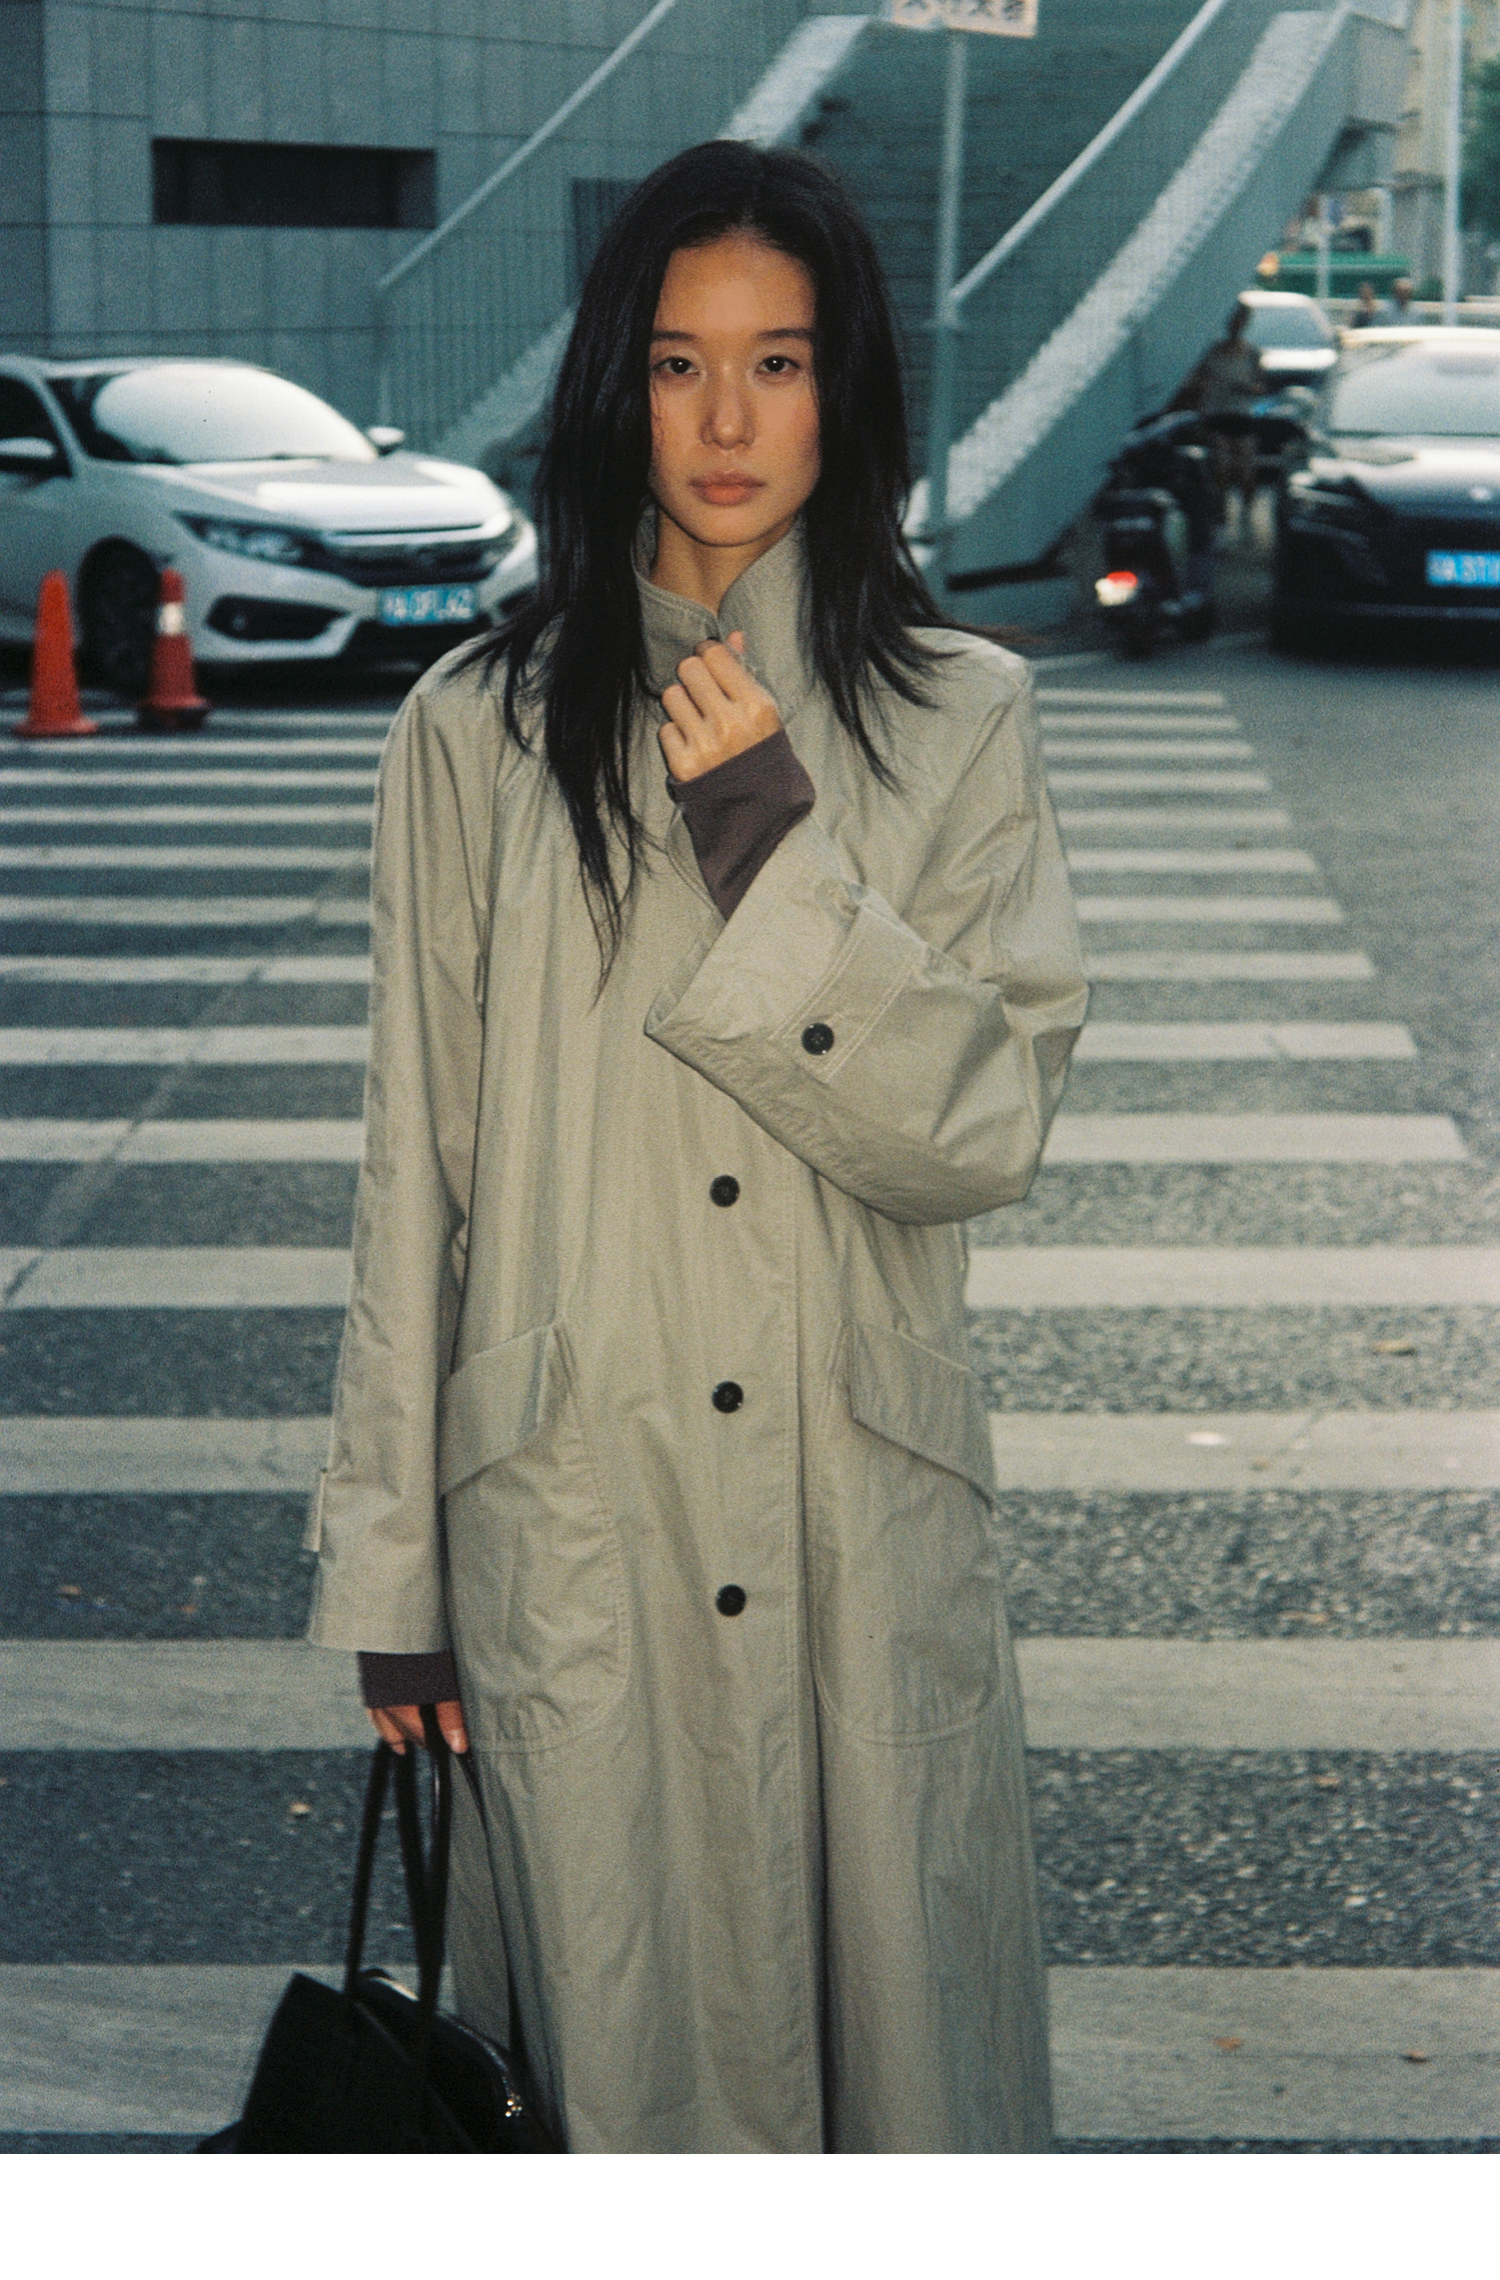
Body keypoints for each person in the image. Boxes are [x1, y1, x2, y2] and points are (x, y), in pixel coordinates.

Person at [307, 140, 1087, 2154]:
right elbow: (419, 1171)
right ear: (615, 389)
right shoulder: (473, 732)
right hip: (581, 1512)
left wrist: (765, 839)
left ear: (848, 391)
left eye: (778, 362)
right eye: (678, 364)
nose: (728, 422)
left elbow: (984, 1124)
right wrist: (397, 1569)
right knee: (616, 2057)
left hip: (854, 1504)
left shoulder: (963, 717)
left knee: (890, 2063)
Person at [1182, 301, 1263, 533]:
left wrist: (1246, 388)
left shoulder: (1252, 353)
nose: (1236, 324)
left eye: (1241, 320)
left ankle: (1247, 514)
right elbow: (1195, 381)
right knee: (1221, 468)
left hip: (1242, 416)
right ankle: (1221, 518)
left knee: (1246, 471)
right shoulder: (1211, 352)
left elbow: (1261, 386)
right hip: (1216, 415)